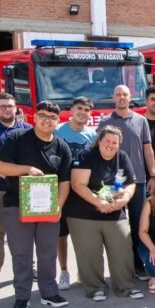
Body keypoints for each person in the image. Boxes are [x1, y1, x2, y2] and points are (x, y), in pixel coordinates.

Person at [0, 101, 72, 308]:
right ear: (35, 117)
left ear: (58, 121)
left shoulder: (62, 146)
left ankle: (49, 292)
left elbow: (65, 182)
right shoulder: (16, 139)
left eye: (52, 117)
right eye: (43, 115)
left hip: (48, 209)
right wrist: (26, 169)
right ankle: (22, 296)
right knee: (21, 253)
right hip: (17, 205)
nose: (47, 120)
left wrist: (59, 206)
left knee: (47, 252)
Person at [64, 126, 144, 301]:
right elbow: (78, 184)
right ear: (99, 140)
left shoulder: (122, 157)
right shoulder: (86, 156)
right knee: (89, 252)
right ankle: (95, 288)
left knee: (123, 248)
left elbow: (131, 183)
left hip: (115, 211)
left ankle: (126, 286)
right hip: (83, 213)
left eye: (114, 142)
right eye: (107, 141)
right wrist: (98, 202)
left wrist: (125, 199)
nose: (110, 145)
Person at [99, 85, 155, 278]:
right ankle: (121, 266)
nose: (122, 98)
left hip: (138, 181)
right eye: (118, 95)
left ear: (130, 97)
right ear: (113, 98)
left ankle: (138, 264)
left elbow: (148, 150)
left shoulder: (141, 121)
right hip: (112, 183)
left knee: (138, 224)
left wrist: (153, 175)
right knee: (117, 227)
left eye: (125, 95)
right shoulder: (105, 122)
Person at [0, 93, 31, 289]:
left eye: (10, 106)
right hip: (0, 190)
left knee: (26, 233)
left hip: (25, 189)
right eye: (2, 106)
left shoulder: (27, 130)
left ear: (16, 108)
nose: (6, 109)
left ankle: (28, 268)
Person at [54, 96, 96, 290]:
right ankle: (63, 271)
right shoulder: (57, 132)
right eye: (79, 108)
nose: (82, 113)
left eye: (86, 110)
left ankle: (83, 271)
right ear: (71, 110)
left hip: (83, 191)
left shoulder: (93, 135)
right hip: (61, 190)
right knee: (60, 235)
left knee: (84, 235)